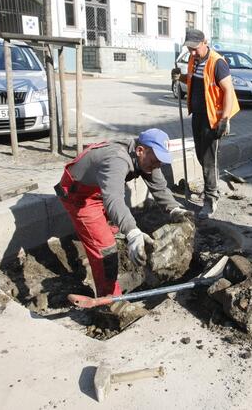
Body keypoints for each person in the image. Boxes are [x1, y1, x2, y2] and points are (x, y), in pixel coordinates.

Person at [55, 129, 194, 297]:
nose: (158, 165)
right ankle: (110, 299)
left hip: (101, 190)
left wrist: (174, 209)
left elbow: (159, 187)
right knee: (105, 249)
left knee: (116, 229)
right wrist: (133, 232)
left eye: (161, 161)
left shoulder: (146, 158)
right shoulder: (117, 160)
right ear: (140, 150)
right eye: (156, 160)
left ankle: (112, 255)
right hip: (80, 197)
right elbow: (113, 199)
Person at [171, 29, 240, 219]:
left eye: (195, 48)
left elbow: (228, 92)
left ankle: (210, 200)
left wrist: (224, 120)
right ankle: (213, 188)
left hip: (213, 119)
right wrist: (181, 77)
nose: (192, 53)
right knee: (202, 156)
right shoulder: (194, 60)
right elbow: (196, 81)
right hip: (198, 116)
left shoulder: (217, 63)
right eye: (189, 49)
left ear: (205, 42)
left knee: (209, 160)